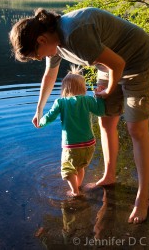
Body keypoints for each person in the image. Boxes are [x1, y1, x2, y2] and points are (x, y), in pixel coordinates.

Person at [9, 6, 149, 224]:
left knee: (136, 128)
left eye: (36, 56)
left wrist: (108, 91)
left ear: (41, 40)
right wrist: (39, 109)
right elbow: (49, 75)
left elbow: (119, 63)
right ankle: (109, 175)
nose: (40, 59)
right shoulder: (54, 43)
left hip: (138, 61)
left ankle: (142, 197)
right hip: (110, 64)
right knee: (106, 121)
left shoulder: (75, 33)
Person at [39, 66, 105, 197]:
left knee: (67, 170)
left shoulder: (60, 102)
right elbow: (101, 111)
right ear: (83, 88)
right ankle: (78, 186)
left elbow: (50, 117)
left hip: (72, 146)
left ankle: (75, 192)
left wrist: (40, 123)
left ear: (64, 89)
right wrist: (99, 97)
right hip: (89, 144)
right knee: (80, 167)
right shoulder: (88, 100)